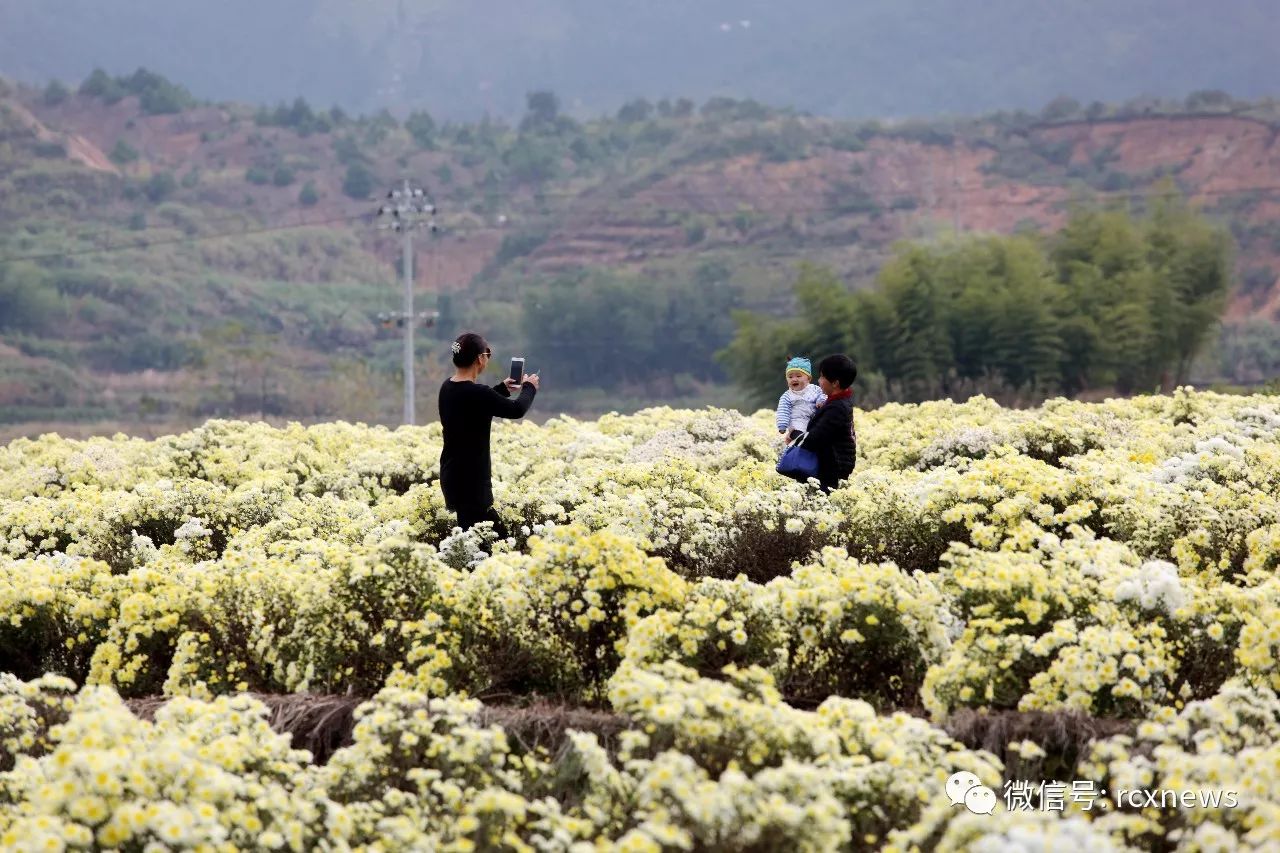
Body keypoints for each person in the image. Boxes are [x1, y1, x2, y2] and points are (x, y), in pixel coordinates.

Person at [437, 331, 539, 536]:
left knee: (472, 541)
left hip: (453, 476)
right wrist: (529, 388)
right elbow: (516, 410)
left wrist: (500, 389)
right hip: (472, 481)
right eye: (487, 353)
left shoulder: (448, 387)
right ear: (479, 359)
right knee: (494, 543)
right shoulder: (478, 393)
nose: (487, 358)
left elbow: (472, 408)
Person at [793, 354, 857, 492]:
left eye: (822, 377)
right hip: (831, 467)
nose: (819, 380)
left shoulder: (837, 408)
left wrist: (794, 434)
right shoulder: (837, 402)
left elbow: (814, 439)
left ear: (835, 383)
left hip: (831, 470)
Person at [775, 356, 827, 443]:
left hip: (814, 420)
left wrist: (821, 401)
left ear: (808, 379)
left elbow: (824, 395)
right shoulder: (787, 396)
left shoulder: (815, 389)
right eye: (790, 377)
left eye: (798, 376)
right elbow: (783, 411)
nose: (794, 379)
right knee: (800, 435)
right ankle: (796, 436)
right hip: (798, 422)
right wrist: (782, 425)